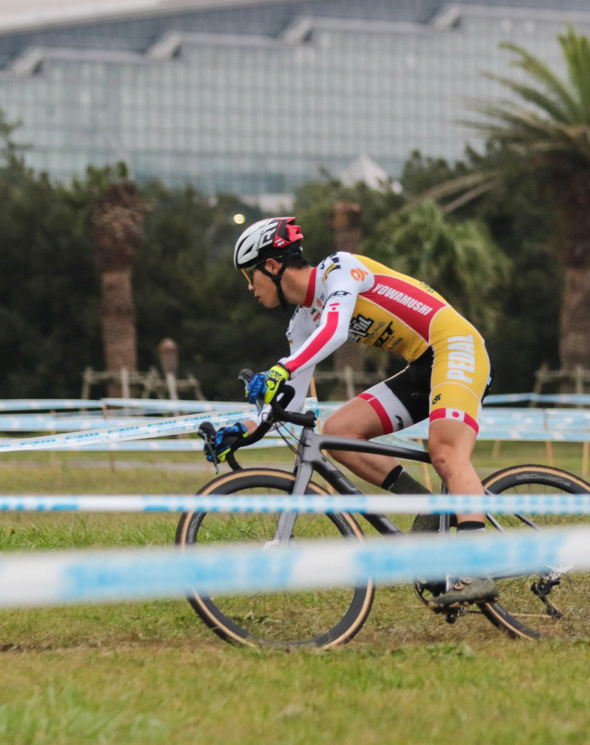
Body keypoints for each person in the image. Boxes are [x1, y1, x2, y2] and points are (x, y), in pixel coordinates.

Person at [207, 216, 497, 608]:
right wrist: (241, 430)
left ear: (272, 266)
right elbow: (288, 403)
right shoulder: (302, 322)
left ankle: (474, 568)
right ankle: (426, 507)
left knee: (445, 452)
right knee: (338, 432)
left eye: (250, 275)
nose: (249, 288)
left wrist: (282, 367)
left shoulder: (338, 270)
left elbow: (337, 331)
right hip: (422, 366)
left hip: (457, 348)